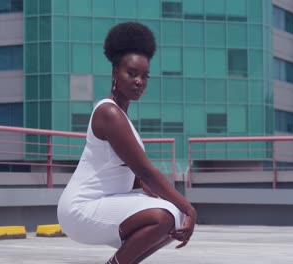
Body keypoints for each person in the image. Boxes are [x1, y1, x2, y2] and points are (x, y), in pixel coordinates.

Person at [57, 22, 197, 264]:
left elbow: (132, 175)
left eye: (144, 76)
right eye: (131, 74)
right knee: (164, 216)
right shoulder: (109, 114)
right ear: (114, 73)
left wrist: (159, 196)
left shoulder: (122, 117)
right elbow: (146, 171)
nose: (139, 81)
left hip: (102, 203)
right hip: (80, 208)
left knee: (171, 218)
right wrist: (190, 209)